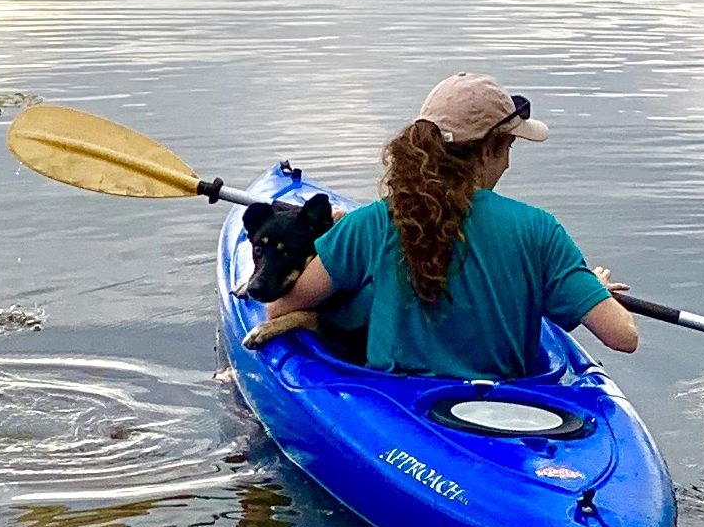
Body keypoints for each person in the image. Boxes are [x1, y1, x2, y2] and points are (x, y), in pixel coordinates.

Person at [261, 74, 639, 378]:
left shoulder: (373, 222)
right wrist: (592, 290)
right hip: (507, 414)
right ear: (491, 148)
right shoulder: (540, 230)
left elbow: (280, 309)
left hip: (394, 411)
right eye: (509, 148)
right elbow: (623, 337)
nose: (507, 164)